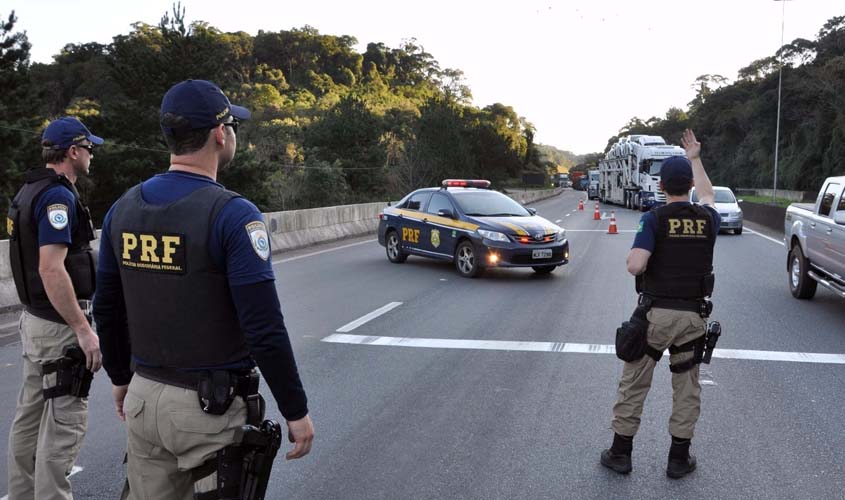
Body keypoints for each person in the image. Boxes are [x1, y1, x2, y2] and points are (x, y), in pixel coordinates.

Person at [93, 79, 314, 500]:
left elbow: (107, 307)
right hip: (206, 412)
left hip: (143, 396)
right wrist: (295, 410)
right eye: (233, 125)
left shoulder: (122, 209)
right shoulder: (233, 215)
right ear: (219, 133)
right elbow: (263, 326)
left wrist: (121, 377)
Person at [601, 129, 720, 479]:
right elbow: (710, 193)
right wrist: (695, 157)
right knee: (687, 388)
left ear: (662, 187)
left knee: (634, 383)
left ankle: (621, 454)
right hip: (693, 318)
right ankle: (678, 460)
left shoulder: (653, 219)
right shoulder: (708, 218)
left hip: (656, 317)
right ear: (689, 186)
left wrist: (638, 258)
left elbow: (636, 265)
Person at [6, 117, 104, 500]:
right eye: (89, 148)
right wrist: (82, 329)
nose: (92, 154)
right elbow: (50, 267)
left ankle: (22, 495)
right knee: (62, 425)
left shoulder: (29, 189)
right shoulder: (58, 197)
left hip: (33, 320)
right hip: (57, 326)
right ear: (73, 152)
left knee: (28, 420)